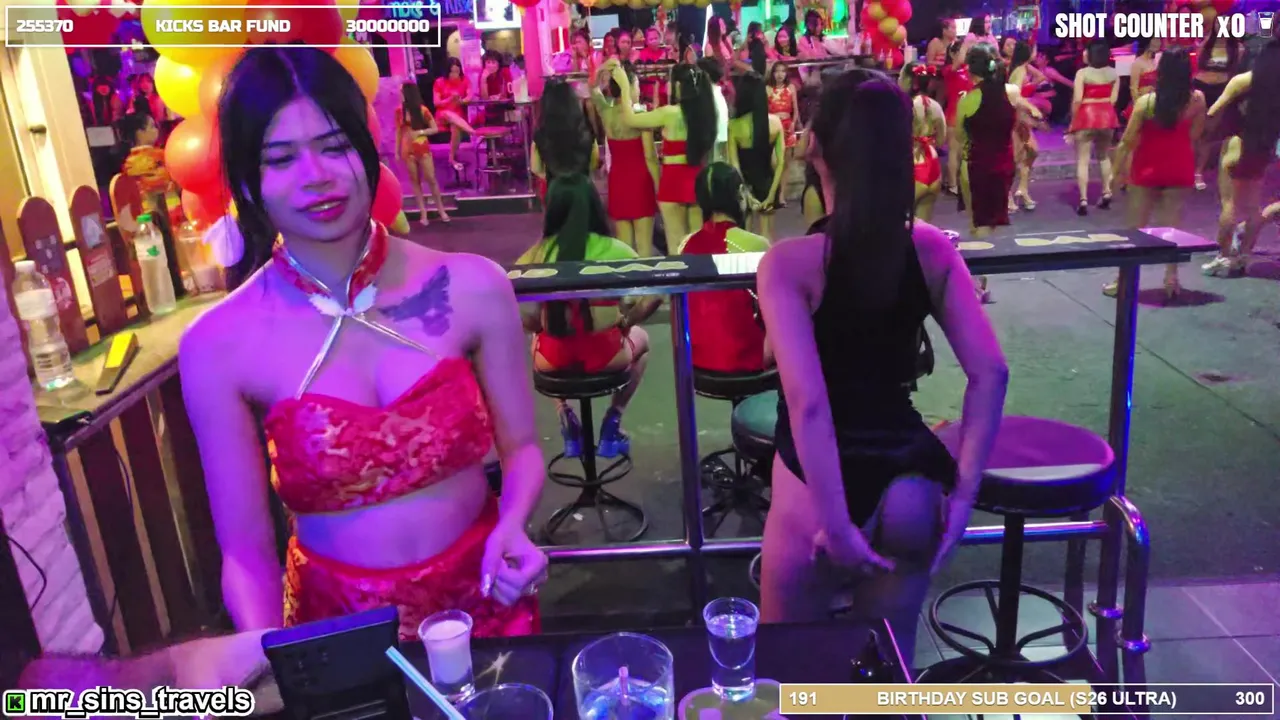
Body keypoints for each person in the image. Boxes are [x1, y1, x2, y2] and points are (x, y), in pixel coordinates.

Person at [180, 47, 547, 641]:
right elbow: (246, 556)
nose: (316, 176)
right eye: (281, 158)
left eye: (333, 146)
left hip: (485, 608)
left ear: (367, 148)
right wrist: (276, 662)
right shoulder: (217, 344)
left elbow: (523, 449)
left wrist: (514, 524)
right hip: (337, 640)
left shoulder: (474, 286)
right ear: (248, 180)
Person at [757, 68, 1008, 664]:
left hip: (815, 494)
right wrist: (963, 498)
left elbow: (810, 405)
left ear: (815, 148)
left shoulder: (788, 264)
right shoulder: (931, 248)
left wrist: (838, 524)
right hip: (910, 488)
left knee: (792, 676)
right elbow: (991, 373)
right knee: (888, 674)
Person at [516, 174, 661, 458]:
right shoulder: (616, 249)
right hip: (607, 355)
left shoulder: (535, 254)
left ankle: (565, 414)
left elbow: (519, 311)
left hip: (553, 359)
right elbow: (654, 296)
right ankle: (613, 421)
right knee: (642, 342)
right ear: (594, 206)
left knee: (537, 339)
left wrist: (539, 326)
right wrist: (626, 322)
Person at [1112, 46, 1204, 300]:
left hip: (1147, 167)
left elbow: (1127, 141)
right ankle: (1171, 278)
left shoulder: (1146, 102)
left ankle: (1123, 281)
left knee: (1136, 228)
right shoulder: (1197, 99)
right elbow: (1195, 135)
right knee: (1172, 226)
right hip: (1179, 166)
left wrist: (1115, 174)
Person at [609, 59, 718, 244]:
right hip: (697, 180)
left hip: (672, 182)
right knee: (698, 242)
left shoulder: (670, 113)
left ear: (678, 85)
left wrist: (625, 88)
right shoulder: (706, 113)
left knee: (676, 244)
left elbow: (630, 119)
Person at [678, 163, 771, 373]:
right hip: (745, 356)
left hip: (696, 358)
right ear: (740, 193)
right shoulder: (756, 244)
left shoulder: (685, 245)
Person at [1202, 39, 1280, 277]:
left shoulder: (1242, 81)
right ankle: (1244, 256)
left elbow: (1213, 111)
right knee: (1253, 207)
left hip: (1237, 144)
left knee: (1230, 204)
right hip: (1263, 147)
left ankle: (1223, 256)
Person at [593, 62, 659, 255]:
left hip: (618, 182)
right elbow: (650, 157)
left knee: (625, 251)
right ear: (627, 86)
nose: (639, 89)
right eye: (636, 85)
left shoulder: (606, 112)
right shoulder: (639, 115)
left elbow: (593, 89)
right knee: (644, 250)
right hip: (640, 182)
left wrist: (602, 67)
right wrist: (659, 187)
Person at [728, 72, 787, 239]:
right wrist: (772, 194)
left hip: (744, 184)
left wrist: (746, 194)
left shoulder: (734, 125)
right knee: (767, 236)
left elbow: (735, 165)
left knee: (745, 236)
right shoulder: (775, 122)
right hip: (768, 181)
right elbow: (781, 162)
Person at [1068, 40, 1119, 215]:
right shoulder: (1113, 73)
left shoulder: (1082, 73)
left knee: (1083, 159)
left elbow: (1077, 99)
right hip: (1107, 117)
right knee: (1104, 156)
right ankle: (1107, 192)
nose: (1083, 53)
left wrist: (1073, 121)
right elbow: (1113, 100)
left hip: (1086, 116)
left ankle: (1083, 200)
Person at [530, 79, 599, 200]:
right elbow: (594, 163)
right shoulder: (586, 132)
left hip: (554, 191)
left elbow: (535, 168)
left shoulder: (541, 135)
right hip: (582, 191)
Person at [1192, 33, 1242, 190]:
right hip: (1200, 87)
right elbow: (1196, 65)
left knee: (1208, 133)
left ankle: (1198, 172)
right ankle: (1185, 167)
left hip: (1220, 90)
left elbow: (1237, 73)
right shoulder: (1206, 44)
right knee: (1194, 131)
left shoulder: (1237, 48)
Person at [396, 83, 450, 227]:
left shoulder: (422, 110)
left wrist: (420, 132)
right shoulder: (399, 111)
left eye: (401, 91)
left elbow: (435, 128)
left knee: (431, 178)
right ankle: (423, 212)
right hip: (407, 149)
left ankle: (441, 210)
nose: (399, 94)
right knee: (415, 181)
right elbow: (399, 132)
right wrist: (396, 151)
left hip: (422, 147)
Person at [900, 63, 945, 222]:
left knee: (902, 226)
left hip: (912, 168)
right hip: (933, 167)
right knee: (923, 228)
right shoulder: (936, 106)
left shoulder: (904, 107)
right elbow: (941, 141)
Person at [1007, 41, 1045, 210]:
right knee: (1014, 159)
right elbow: (1014, 97)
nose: (1036, 52)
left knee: (1032, 152)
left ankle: (1022, 189)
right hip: (1016, 117)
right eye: (1034, 49)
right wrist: (1031, 107)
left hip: (1023, 116)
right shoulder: (1019, 71)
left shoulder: (1024, 68)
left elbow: (1041, 77)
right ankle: (1008, 196)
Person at [433, 58, 479, 173]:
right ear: (447, 71)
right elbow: (436, 103)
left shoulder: (465, 80)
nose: (454, 74)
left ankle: (451, 158)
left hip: (458, 117)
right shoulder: (439, 82)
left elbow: (469, 96)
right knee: (448, 114)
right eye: (452, 72)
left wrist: (461, 101)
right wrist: (450, 99)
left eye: (457, 71)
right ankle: (474, 132)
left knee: (455, 126)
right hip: (442, 115)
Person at [940, 41, 973, 196]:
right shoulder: (948, 70)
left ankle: (962, 182)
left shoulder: (969, 70)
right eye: (962, 51)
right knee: (954, 151)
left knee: (964, 153)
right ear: (952, 54)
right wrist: (966, 43)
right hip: (954, 115)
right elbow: (957, 63)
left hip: (969, 114)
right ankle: (952, 184)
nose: (965, 54)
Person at [766, 61, 800, 203]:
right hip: (773, 127)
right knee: (775, 162)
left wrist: (793, 123)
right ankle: (773, 192)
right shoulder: (768, 89)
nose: (780, 74)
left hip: (788, 126)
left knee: (786, 162)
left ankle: (781, 195)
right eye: (777, 71)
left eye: (783, 71)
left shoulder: (791, 88)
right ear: (772, 73)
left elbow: (796, 110)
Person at [1124, 38, 1160, 124]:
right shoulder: (1137, 63)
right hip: (1143, 103)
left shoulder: (1157, 60)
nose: (1159, 43)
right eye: (1156, 40)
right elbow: (1133, 88)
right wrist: (1138, 107)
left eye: (1159, 40)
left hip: (1156, 103)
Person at [479, 50, 513, 126]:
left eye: (493, 62)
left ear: (498, 64)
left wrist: (498, 96)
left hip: (506, 110)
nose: (490, 65)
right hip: (490, 111)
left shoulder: (505, 72)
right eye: (488, 62)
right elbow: (484, 99)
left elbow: (506, 95)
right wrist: (483, 80)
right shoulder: (482, 75)